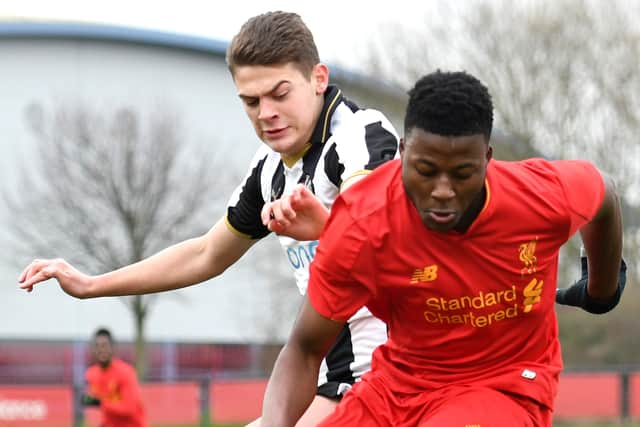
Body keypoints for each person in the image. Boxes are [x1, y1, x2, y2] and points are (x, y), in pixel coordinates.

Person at [18, 11, 399, 426]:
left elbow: (381, 240)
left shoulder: (360, 137)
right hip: (334, 376)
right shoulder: (269, 169)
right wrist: (92, 284)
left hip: (391, 373)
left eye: (279, 93)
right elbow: (206, 254)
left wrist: (326, 228)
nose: (265, 112)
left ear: (318, 79)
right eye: (251, 101)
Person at [259, 70, 627, 427]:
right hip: (396, 390)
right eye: (425, 170)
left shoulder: (539, 197)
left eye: (463, 173)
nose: (443, 190)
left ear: (487, 158)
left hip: (503, 386)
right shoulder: (361, 223)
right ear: (403, 152)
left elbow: (605, 195)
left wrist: (601, 290)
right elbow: (304, 350)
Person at [82, 328, 147, 427]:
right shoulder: (91, 374)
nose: (101, 350)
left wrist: (100, 403)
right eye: (97, 346)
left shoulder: (125, 372)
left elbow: (130, 408)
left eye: (104, 346)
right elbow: (95, 400)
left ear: (112, 348)